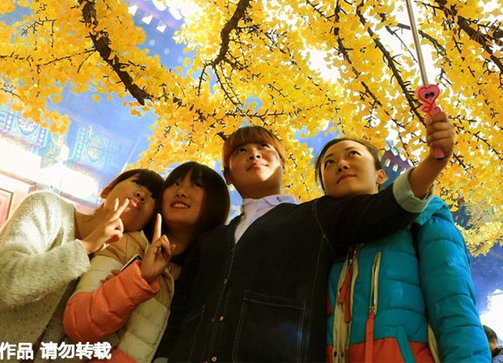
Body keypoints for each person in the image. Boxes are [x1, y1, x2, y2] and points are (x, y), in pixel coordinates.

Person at [158, 111, 455, 362]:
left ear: (283, 164)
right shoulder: (211, 240)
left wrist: (434, 161)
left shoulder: (316, 216)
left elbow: (383, 209)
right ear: (228, 175)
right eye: (240, 151)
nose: (254, 154)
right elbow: (180, 311)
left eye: (264, 147)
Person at [0, 168, 165, 363]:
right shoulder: (47, 207)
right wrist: (86, 246)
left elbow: (77, 348)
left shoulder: (105, 267)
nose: (143, 194)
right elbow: (7, 283)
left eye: (153, 196)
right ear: (108, 190)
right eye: (138, 183)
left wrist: (112, 298)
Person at [317, 137, 489, 362]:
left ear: (381, 175)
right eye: (329, 163)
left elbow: (454, 308)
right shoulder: (318, 242)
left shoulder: (424, 218)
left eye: (353, 154)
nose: (341, 164)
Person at [63, 162, 230, 363]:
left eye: (196, 184)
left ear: (216, 201)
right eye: (175, 183)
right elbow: (78, 323)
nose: (181, 191)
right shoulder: (126, 245)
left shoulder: (216, 273)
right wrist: (138, 279)